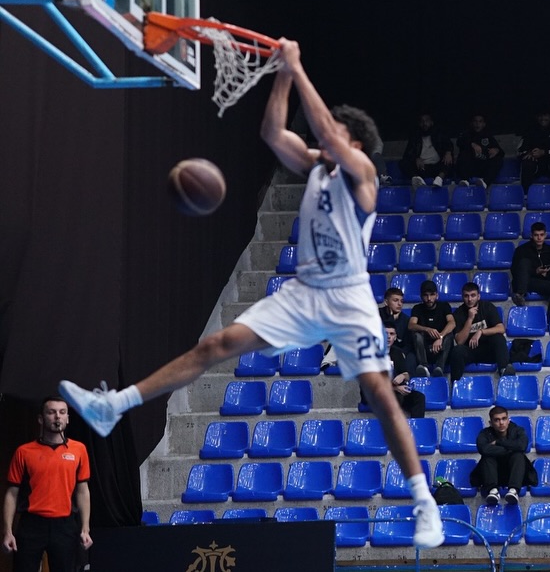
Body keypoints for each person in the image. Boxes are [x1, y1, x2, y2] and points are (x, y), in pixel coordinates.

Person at [57, 41, 444, 548]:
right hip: (302, 293)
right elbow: (271, 133)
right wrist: (282, 75)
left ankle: (423, 502)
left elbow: (326, 129)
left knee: (379, 391)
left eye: (336, 136)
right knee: (214, 347)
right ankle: (116, 405)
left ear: (353, 144)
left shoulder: (364, 175)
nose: (324, 139)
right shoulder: (315, 168)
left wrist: (298, 64)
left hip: (349, 299)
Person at [2, 397, 91, 572]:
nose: (57, 417)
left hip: (65, 525)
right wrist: (7, 531)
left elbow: (83, 491)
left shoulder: (79, 450)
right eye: (51, 412)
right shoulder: (24, 452)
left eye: (62, 412)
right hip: (31, 525)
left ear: (67, 418)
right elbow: (12, 493)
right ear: (41, 419)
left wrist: (85, 528)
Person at [471, 406, 536, 505]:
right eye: (496, 420)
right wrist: (511, 448)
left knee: (518, 455)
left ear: (508, 420)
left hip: (515, 474)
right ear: (491, 423)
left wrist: (498, 442)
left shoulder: (518, 430)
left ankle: (513, 491)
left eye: (504, 419)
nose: (501, 423)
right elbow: (483, 449)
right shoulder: (485, 434)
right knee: (487, 457)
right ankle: (493, 491)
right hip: (492, 474)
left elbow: (522, 446)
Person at [450, 282, 513, 382]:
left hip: (488, 350)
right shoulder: (459, 313)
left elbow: (501, 328)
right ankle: (456, 385)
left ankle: (504, 371)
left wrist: (481, 331)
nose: (470, 299)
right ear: (462, 297)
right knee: (457, 351)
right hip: (470, 351)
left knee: (499, 337)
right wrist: (470, 319)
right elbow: (460, 341)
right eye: (466, 296)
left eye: (473, 295)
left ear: (478, 296)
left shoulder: (487, 307)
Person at [510, 221, 550, 311]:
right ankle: (520, 294)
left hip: (542, 281)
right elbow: (515, 271)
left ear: (545, 235)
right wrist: (535, 271)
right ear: (531, 235)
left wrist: (547, 273)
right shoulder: (522, 250)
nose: (539, 238)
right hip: (526, 281)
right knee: (524, 262)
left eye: (541, 235)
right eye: (536, 235)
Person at [381, 321, 426, 417]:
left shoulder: (397, 352)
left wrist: (403, 376)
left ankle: (416, 428)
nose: (388, 337)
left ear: (395, 337)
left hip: (396, 392)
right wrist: (395, 388)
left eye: (392, 334)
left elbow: (407, 374)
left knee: (419, 397)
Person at [380, 287, 427, 378]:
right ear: (386, 302)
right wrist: (391, 318)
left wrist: (402, 353)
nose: (399, 304)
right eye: (395, 300)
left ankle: (410, 382)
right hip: (382, 350)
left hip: (399, 352)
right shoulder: (377, 316)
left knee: (411, 357)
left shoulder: (405, 319)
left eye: (401, 301)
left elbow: (408, 343)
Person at [518, 110, 550, 191]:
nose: (543, 118)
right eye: (540, 116)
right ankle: (525, 194)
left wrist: (544, 152)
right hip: (536, 164)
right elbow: (519, 150)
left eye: (545, 116)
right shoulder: (530, 130)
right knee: (527, 162)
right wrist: (529, 153)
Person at [400, 112, 453, 187]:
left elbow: (448, 145)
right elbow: (408, 154)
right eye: (422, 121)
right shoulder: (415, 137)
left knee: (449, 159)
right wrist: (416, 158)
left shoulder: (439, 134)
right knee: (403, 163)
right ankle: (417, 179)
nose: (424, 124)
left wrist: (448, 152)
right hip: (423, 168)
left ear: (431, 122)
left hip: (437, 166)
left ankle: (439, 179)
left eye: (427, 121)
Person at [454, 112, 504, 187]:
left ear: (484, 124)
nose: (477, 124)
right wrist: (472, 144)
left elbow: (501, 152)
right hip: (469, 167)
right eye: (475, 121)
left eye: (480, 122)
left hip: (483, 166)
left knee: (498, 159)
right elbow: (459, 142)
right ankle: (465, 180)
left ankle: (485, 182)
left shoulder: (488, 136)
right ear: (472, 123)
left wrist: (496, 150)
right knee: (464, 154)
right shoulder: (466, 134)